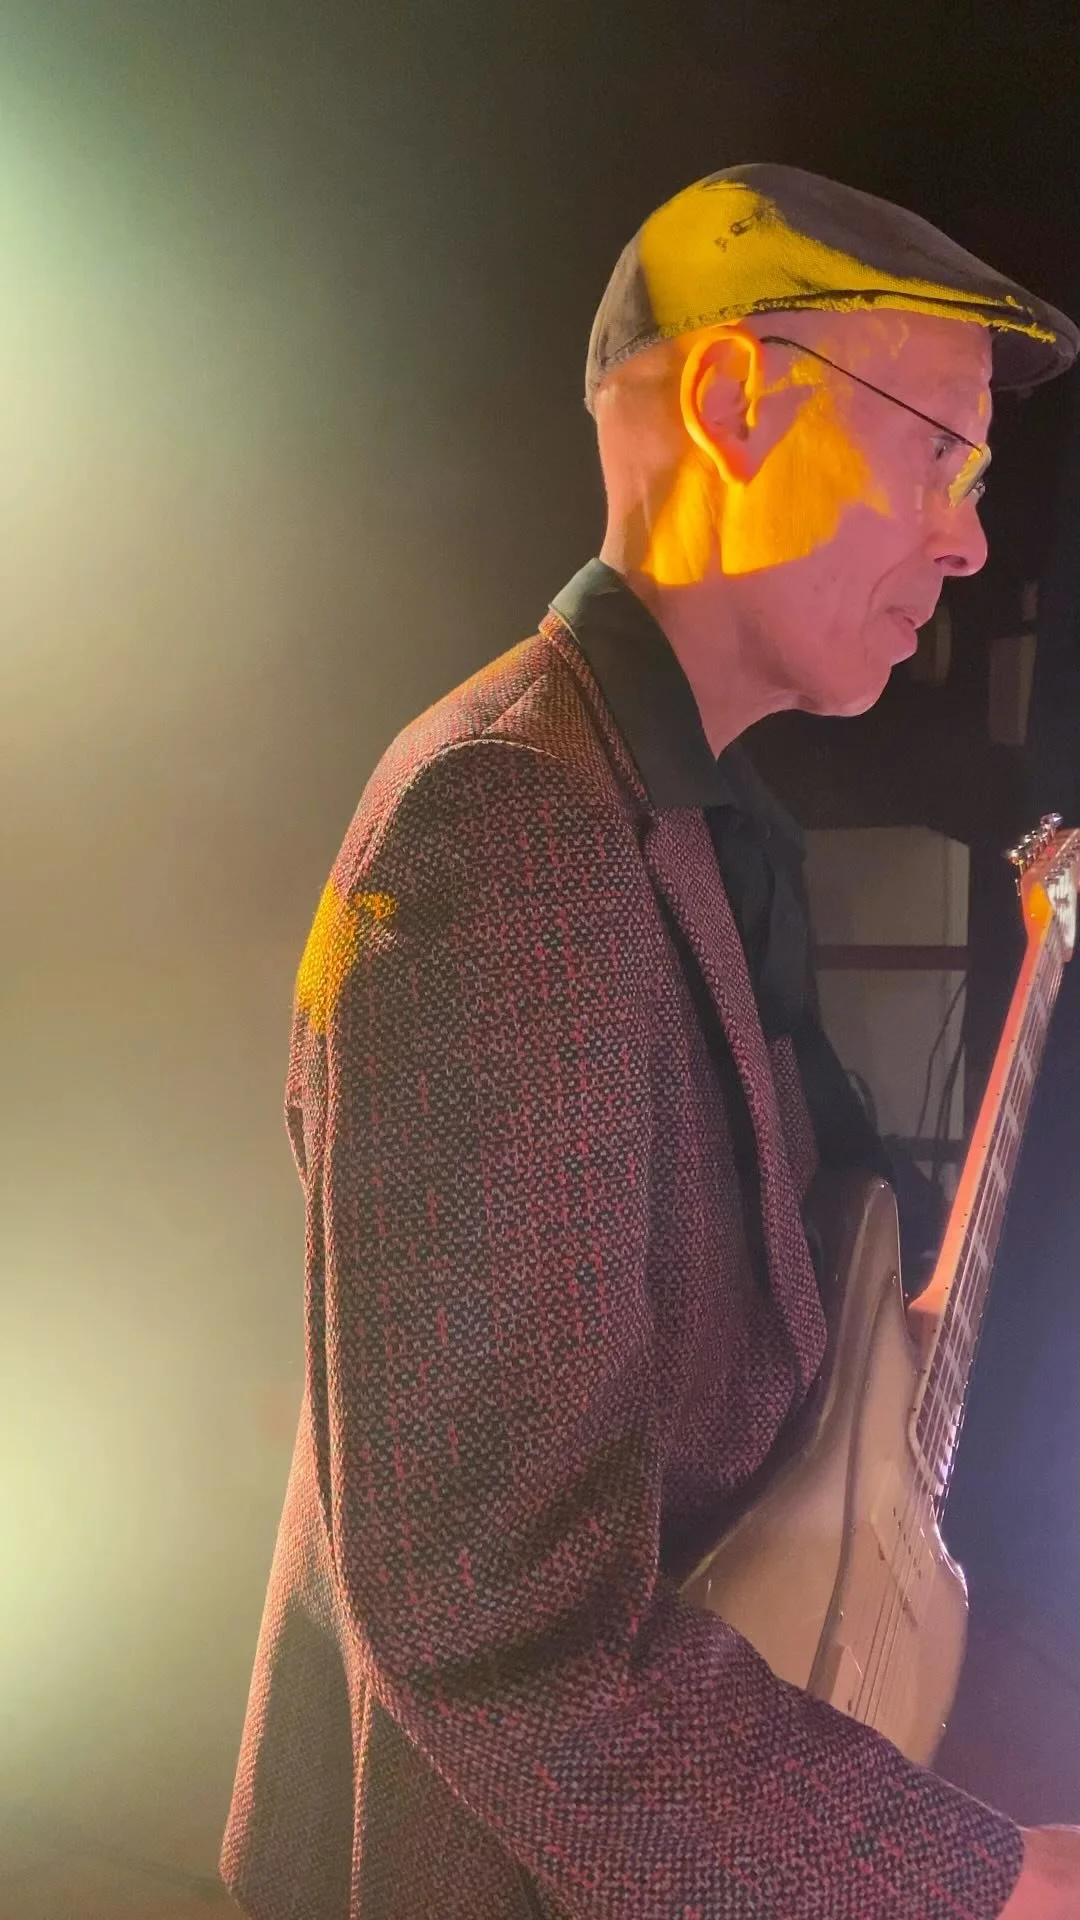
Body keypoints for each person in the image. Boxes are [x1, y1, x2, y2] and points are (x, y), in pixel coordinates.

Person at [220, 165, 1080, 1919]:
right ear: (739, 403)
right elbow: (501, 1628)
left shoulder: (682, 806)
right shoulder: (508, 826)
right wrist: (975, 1882)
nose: (973, 539)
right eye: (944, 453)